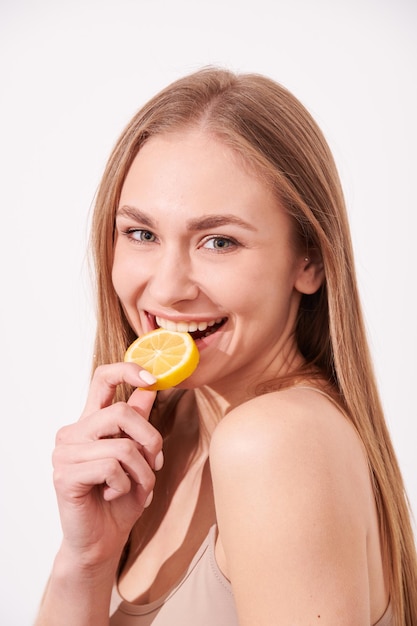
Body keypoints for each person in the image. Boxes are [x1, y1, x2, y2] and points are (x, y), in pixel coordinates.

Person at [36, 67, 417, 626]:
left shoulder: (275, 442)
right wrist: (85, 560)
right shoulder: (164, 429)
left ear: (307, 259)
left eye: (219, 241)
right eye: (141, 234)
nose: (166, 288)